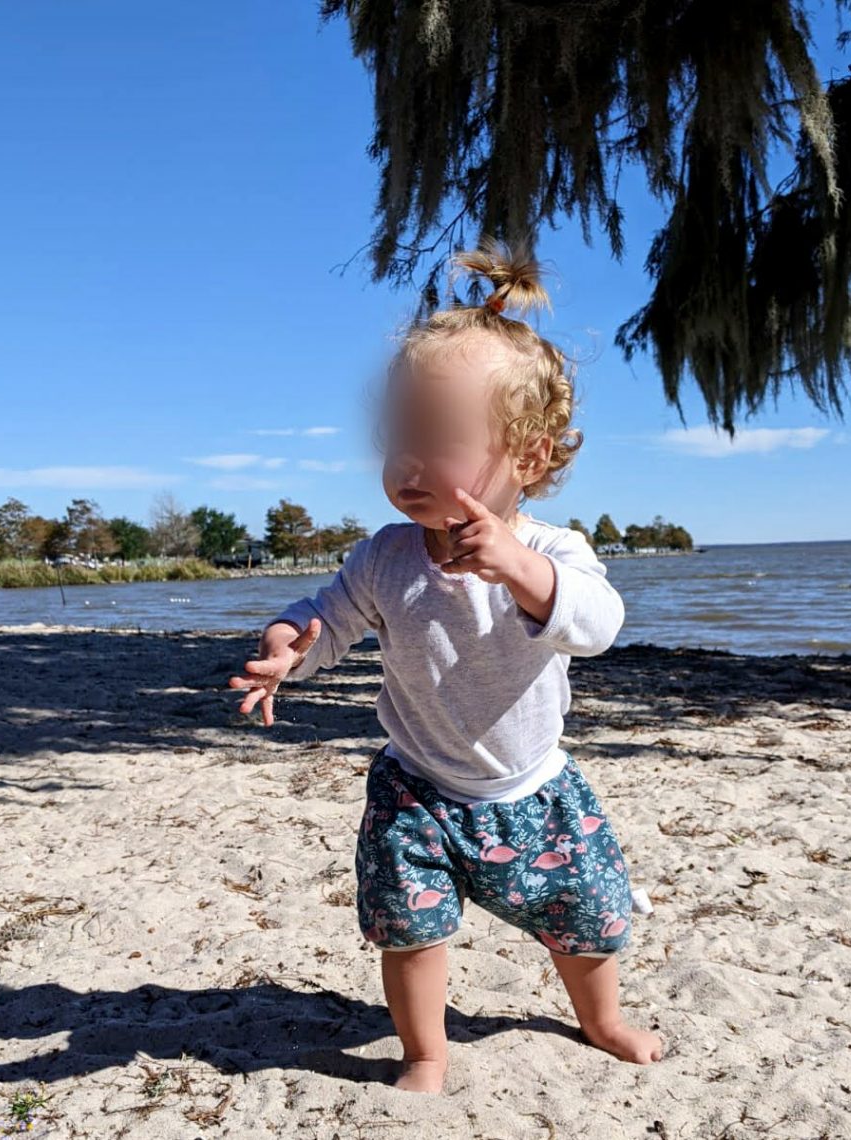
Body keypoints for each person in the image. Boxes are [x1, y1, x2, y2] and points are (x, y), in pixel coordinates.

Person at [229, 239, 664, 1092]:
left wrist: (520, 568)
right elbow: (332, 616)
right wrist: (292, 646)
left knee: (585, 921)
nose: (410, 462)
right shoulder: (387, 556)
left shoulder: (549, 548)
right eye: (401, 435)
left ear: (529, 459)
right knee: (409, 929)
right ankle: (425, 1051)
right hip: (415, 788)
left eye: (438, 437)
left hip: (532, 790)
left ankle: (601, 1018)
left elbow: (600, 622)